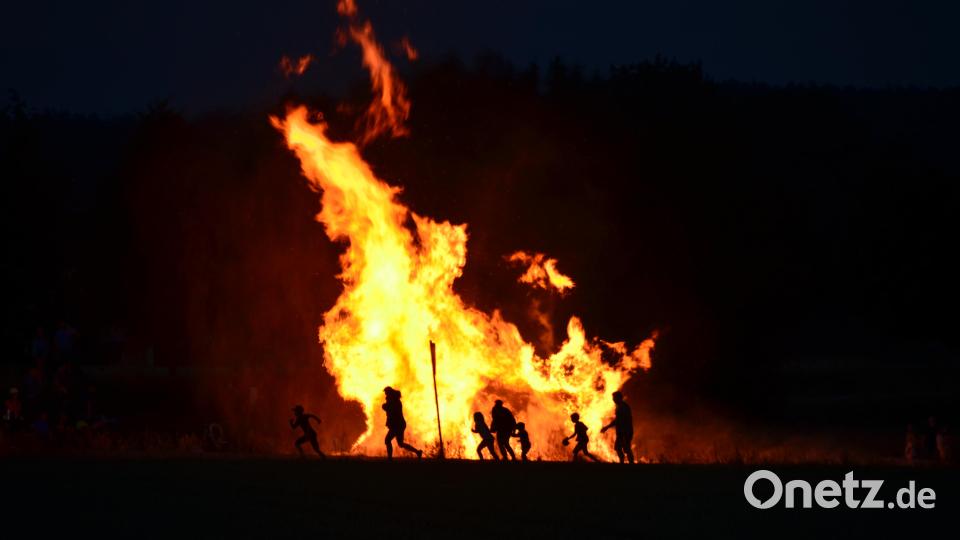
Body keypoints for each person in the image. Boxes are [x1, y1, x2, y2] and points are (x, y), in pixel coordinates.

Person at [382, 387, 422, 459]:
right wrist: (386, 407)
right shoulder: (393, 401)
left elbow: (392, 411)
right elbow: (389, 411)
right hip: (398, 425)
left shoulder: (395, 401)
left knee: (387, 440)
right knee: (400, 444)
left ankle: (389, 459)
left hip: (397, 425)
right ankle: (418, 452)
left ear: (390, 393)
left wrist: (385, 407)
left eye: (386, 393)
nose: (385, 395)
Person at [600, 391, 635, 464]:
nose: (613, 399)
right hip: (621, 432)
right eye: (613, 398)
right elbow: (617, 420)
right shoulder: (619, 407)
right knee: (618, 448)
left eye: (614, 398)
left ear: (619, 398)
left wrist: (607, 427)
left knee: (626, 448)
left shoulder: (623, 407)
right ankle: (622, 462)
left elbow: (619, 420)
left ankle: (631, 463)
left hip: (625, 431)